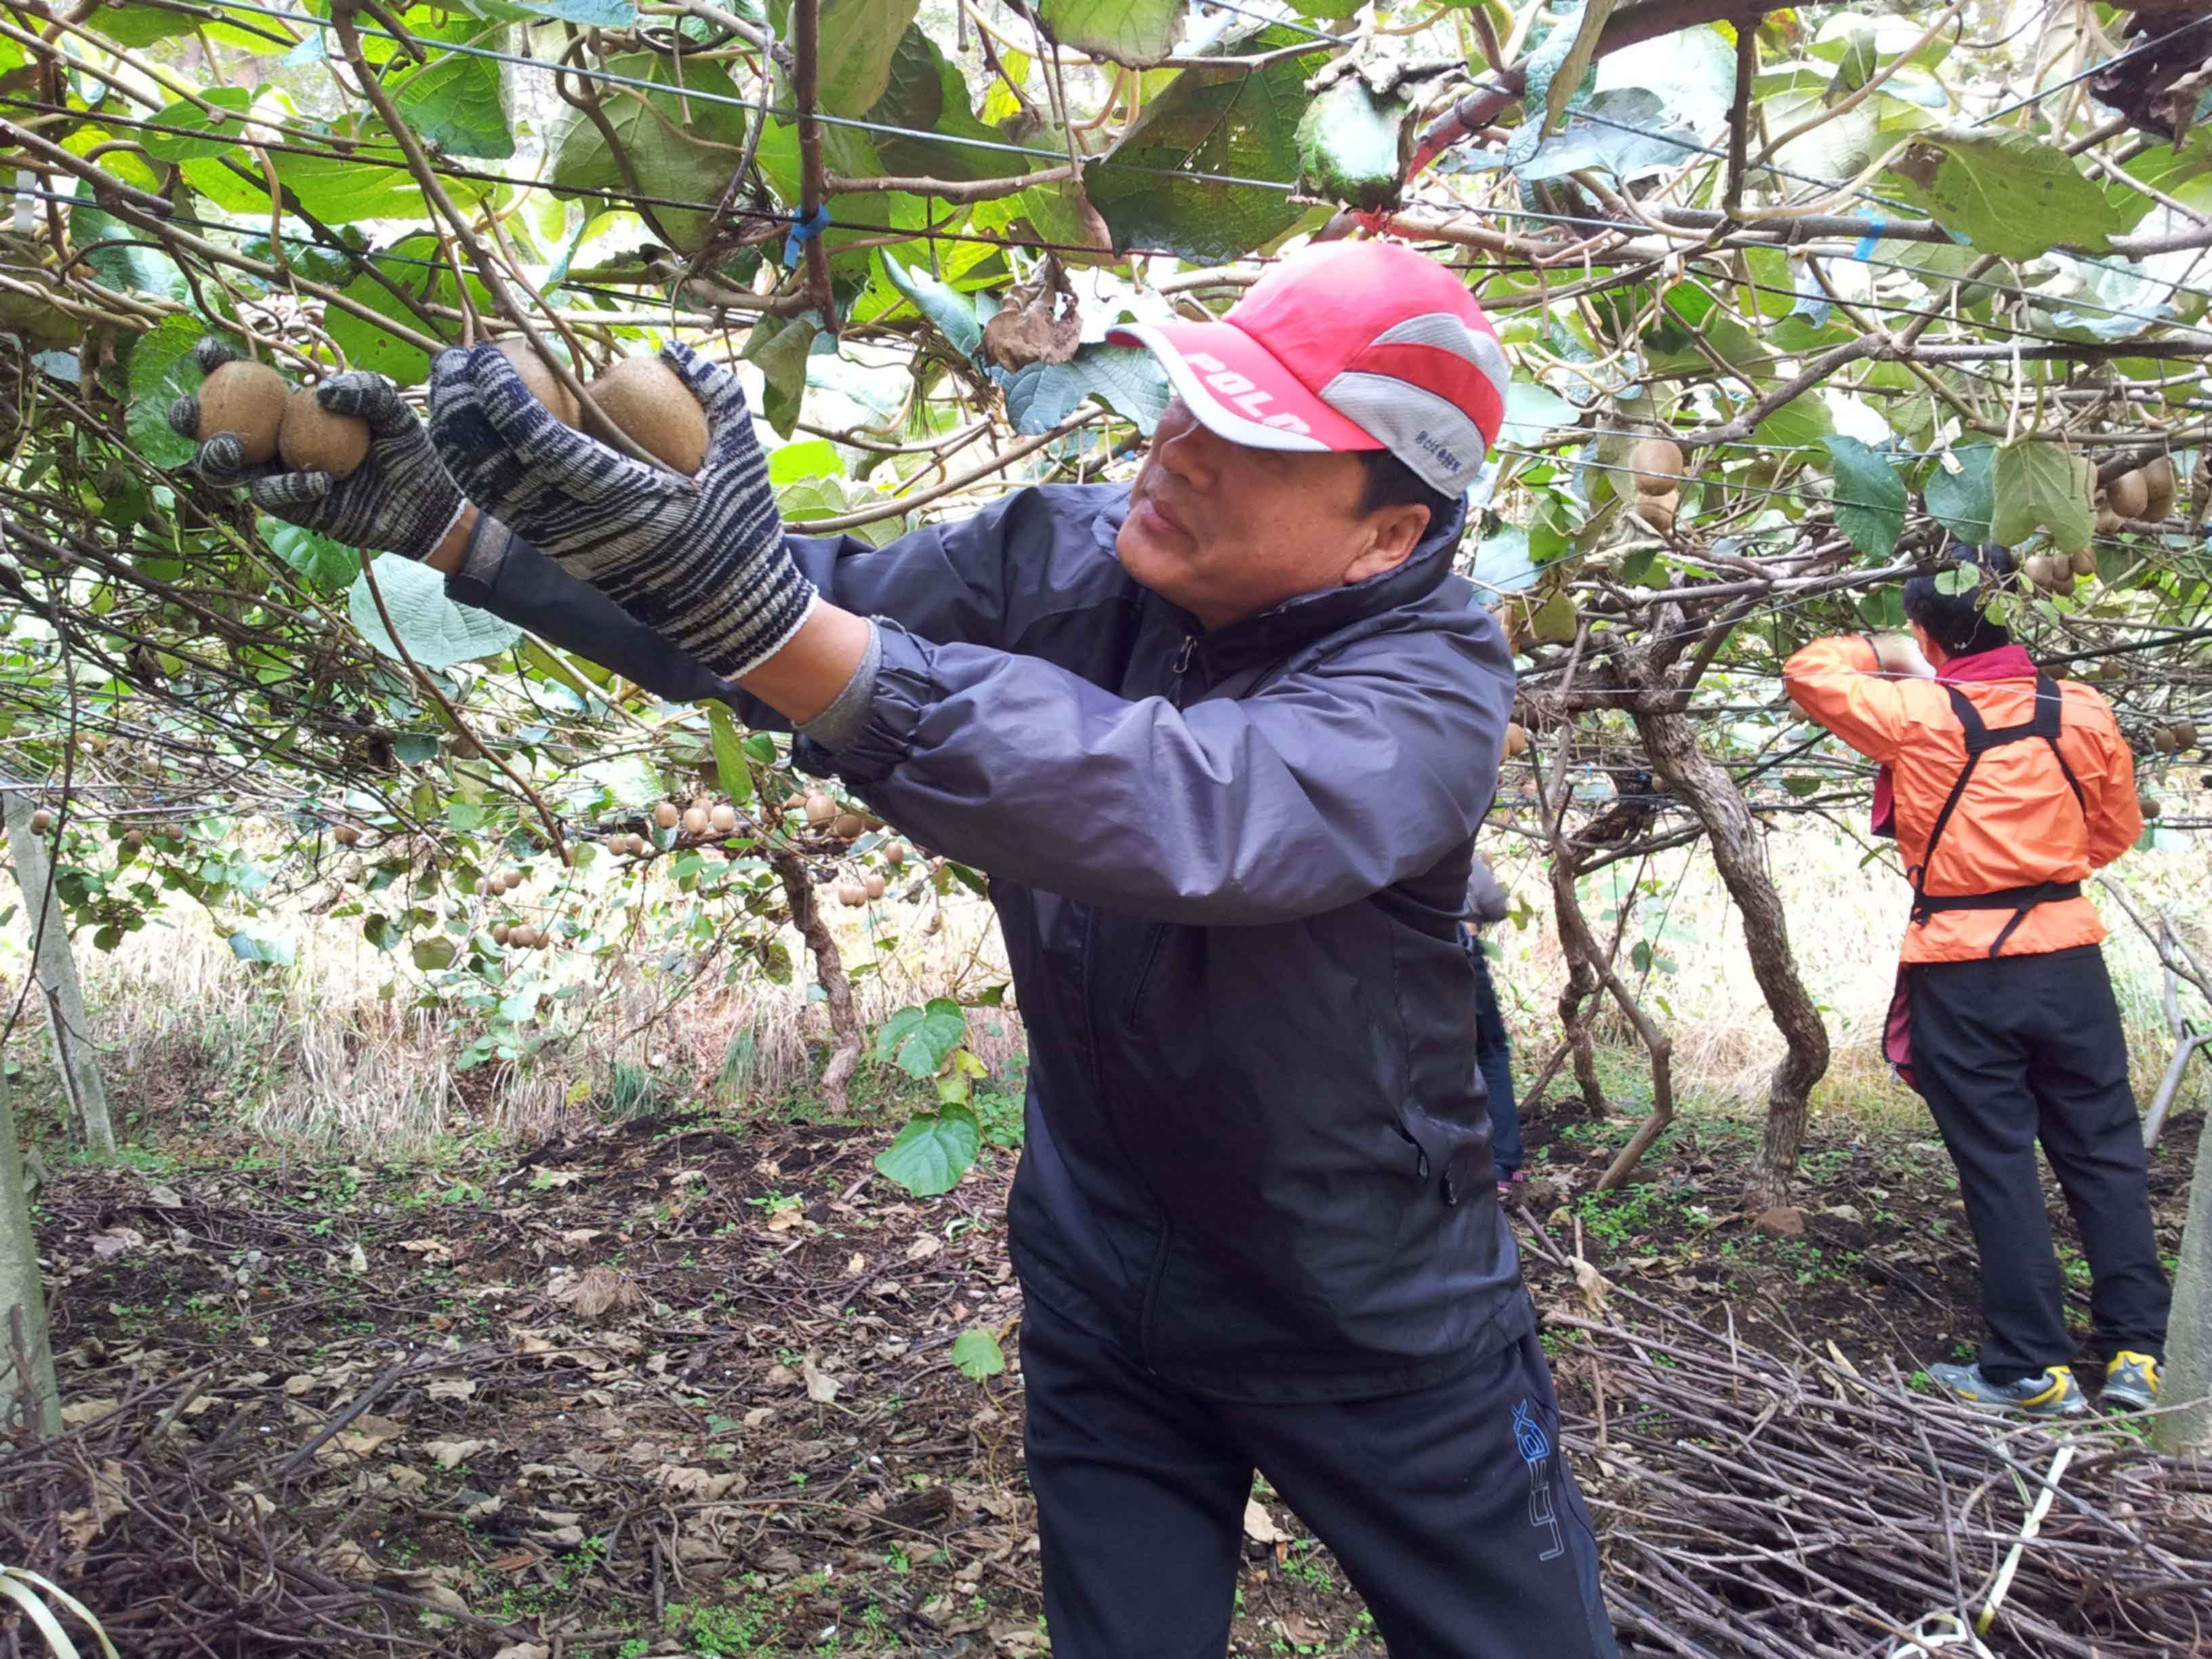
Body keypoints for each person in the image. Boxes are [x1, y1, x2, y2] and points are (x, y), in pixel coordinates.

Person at [168, 240, 1616, 1656]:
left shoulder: (1423, 692)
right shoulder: (1072, 556)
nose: (1178, 453)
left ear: (1389, 536)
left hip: (1364, 1320)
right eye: (1192, 402)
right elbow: (778, 613)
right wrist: (466, 536)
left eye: (1255, 442)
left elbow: (1185, 807)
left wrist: (767, 616)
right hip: (1104, 1279)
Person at [1783, 544, 2167, 1418]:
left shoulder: (1917, 712)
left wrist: (1894, 648)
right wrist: (2041, 871)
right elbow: (2112, 834)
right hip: (2068, 952)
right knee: (2105, 1152)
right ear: (2020, 618)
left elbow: (1808, 670)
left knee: (1999, 1162)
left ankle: (2032, 1367)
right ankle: (2138, 1353)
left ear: (1929, 634)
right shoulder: (2085, 709)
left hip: (1963, 966)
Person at [1465, 853, 1526, 1198]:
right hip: (1460, 950)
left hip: (1404, 963)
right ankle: (1503, 1164)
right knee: (1489, 1053)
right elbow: (1495, 905)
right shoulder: (1449, 834)